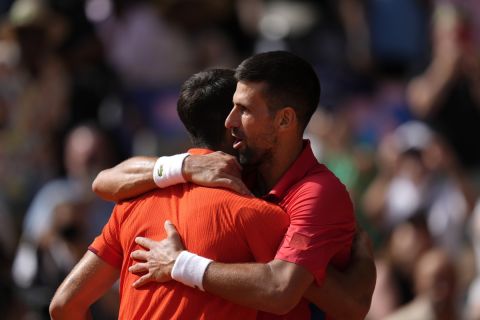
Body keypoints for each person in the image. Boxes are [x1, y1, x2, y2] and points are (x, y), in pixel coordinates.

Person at [50, 68, 370, 319]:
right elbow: (340, 304)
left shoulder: (131, 204)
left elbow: (64, 305)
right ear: (235, 129)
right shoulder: (258, 216)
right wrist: (364, 256)